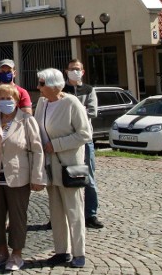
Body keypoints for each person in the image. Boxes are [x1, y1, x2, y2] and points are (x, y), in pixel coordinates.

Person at [0, 84, 47, 271]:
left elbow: (37, 150)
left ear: (17, 101)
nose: (5, 102)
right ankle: (1, 251)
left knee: (18, 217)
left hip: (18, 177)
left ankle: (16, 254)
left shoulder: (27, 120)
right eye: (2, 98)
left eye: (9, 98)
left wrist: (38, 177)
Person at [35, 68, 92, 269]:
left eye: (42, 84)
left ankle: (79, 252)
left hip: (68, 165)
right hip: (50, 166)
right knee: (56, 211)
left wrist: (56, 145)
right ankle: (61, 251)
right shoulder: (42, 103)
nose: (38, 87)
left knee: (74, 211)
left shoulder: (71, 103)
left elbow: (85, 134)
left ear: (54, 86)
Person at [64, 59, 102, 229]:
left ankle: (91, 214)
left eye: (77, 69)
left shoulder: (89, 90)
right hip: (66, 139)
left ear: (83, 71)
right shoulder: (62, 90)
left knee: (89, 178)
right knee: (64, 176)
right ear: (66, 71)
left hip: (85, 141)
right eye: (72, 69)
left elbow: (92, 112)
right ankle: (63, 214)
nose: (75, 71)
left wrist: (75, 111)